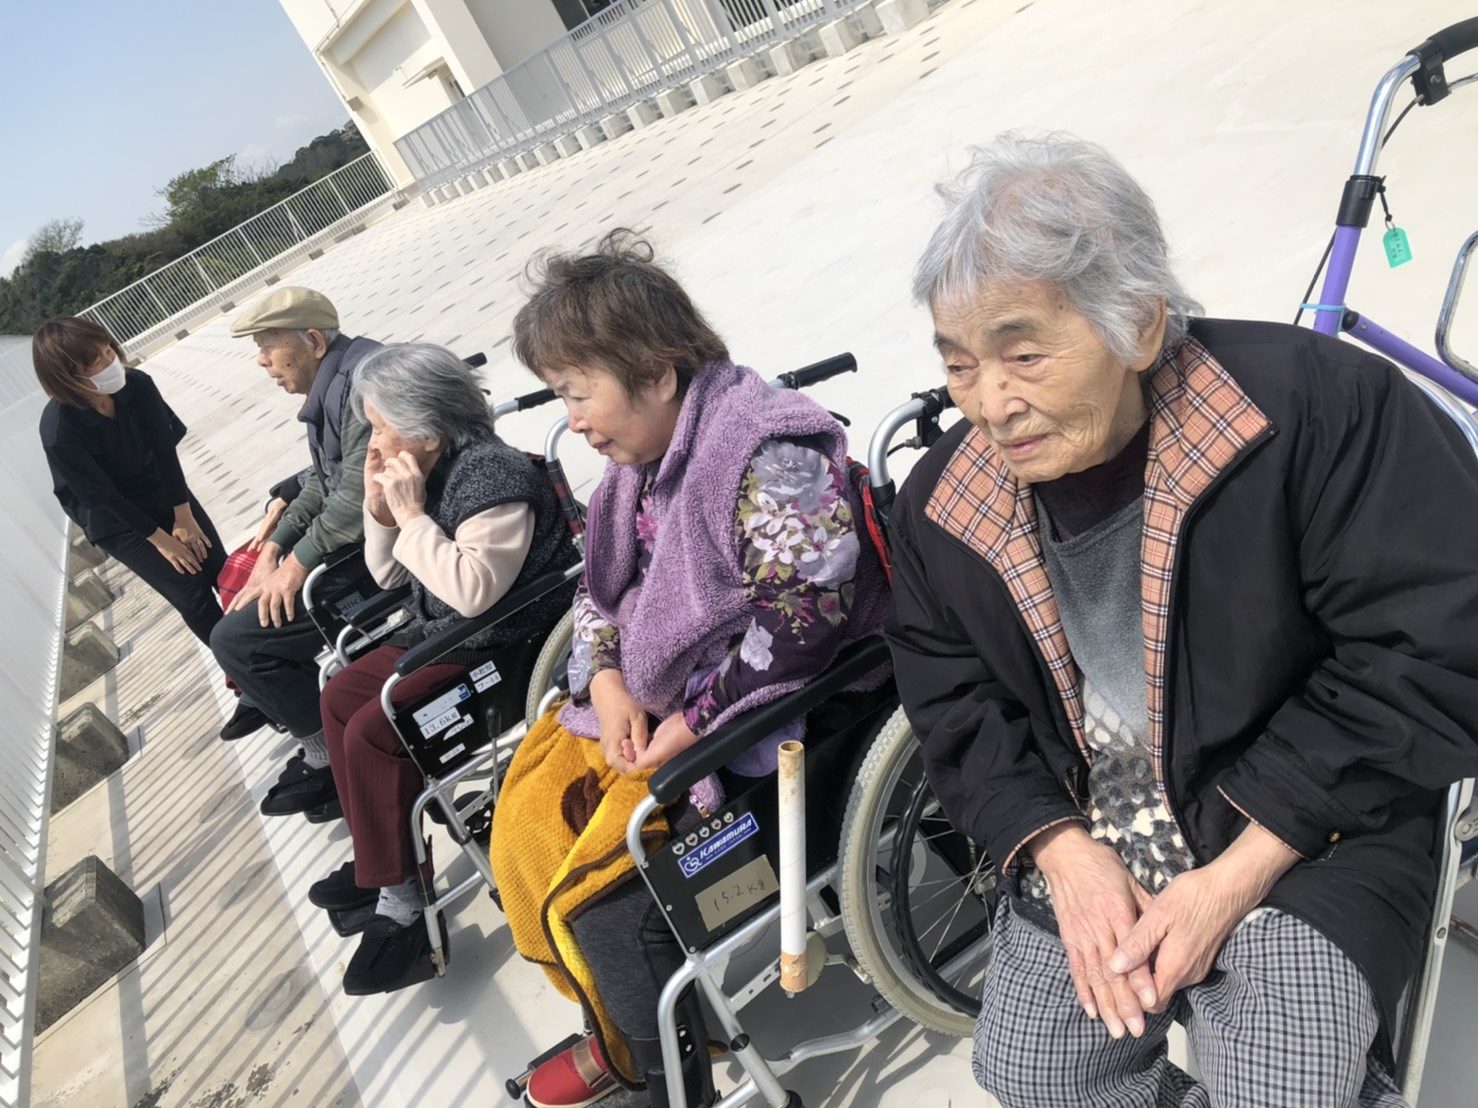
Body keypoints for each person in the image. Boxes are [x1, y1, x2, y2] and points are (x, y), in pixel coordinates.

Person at [886, 133, 1478, 1108]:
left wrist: (1232, 877)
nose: (989, 404)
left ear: (1139, 326)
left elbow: (1434, 643)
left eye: (1023, 355)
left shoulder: (1319, 413)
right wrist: (1058, 848)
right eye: (958, 365)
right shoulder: (943, 506)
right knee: (1032, 1071)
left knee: (1283, 1089)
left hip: (1309, 821)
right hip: (1097, 825)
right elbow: (952, 700)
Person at [490, 231, 889, 1108]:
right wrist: (606, 681)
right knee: (524, 824)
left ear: (657, 373)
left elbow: (800, 629)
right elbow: (596, 594)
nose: (573, 419)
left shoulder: (771, 457)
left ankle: (661, 1080)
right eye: (562, 395)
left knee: (610, 913)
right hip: (657, 710)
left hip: (786, 723)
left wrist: (689, 724)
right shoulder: (634, 470)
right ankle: (628, 1033)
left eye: (579, 392)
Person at [304, 343, 579, 994]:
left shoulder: (492, 477)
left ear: (426, 428)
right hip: (452, 634)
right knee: (339, 695)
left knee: (376, 731)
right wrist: (381, 511)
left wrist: (408, 513)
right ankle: (386, 862)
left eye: (382, 427)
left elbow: (472, 590)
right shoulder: (433, 467)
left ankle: (403, 906)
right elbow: (389, 575)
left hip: (508, 649)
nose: (374, 441)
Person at [209, 287, 383, 803]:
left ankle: (328, 758)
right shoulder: (336, 381)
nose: (262, 361)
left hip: (388, 553)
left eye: (268, 346)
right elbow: (322, 482)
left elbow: (354, 500)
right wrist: (273, 549)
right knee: (242, 597)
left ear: (313, 341)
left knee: (238, 640)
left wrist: (295, 566)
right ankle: (324, 735)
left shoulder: (364, 386)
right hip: (367, 540)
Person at [35, 316, 226, 644]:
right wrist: (163, 542)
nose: (110, 363)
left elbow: (164, 450)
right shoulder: (59, 431)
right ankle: (241, 664)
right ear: (68, 378)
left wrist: (183, 515)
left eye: (109, 351)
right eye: (96, 362)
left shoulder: (137, 385)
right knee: (191, 592)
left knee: (218, 566)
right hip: (115, 520)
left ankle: (272, 646)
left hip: (159, 487)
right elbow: (104, 497)